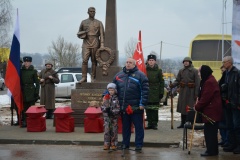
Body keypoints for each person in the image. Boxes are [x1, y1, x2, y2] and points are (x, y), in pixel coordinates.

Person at [113, 57, 149, 151]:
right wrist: (106, 94)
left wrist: (142, 104)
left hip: (136, 107)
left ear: (134, 64)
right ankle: (125, 144)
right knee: (125, 127)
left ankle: (138, 145)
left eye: (130, 62)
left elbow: (145, 91)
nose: (128, 64)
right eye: (127, 62)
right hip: (124, 107)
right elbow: (112, 87)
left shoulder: (141, 75)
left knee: (138, 127)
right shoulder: (119, 75)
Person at [194, 65, 222, 156]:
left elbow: (206, 97)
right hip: (211, 111)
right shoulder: (208, 80)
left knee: (210, 132)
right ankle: (211, 150)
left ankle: (211, 151)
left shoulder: (209, 82)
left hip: (212, 112)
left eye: (199, 72)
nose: (198, 74)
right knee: (210, 131)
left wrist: (197, 106)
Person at [170, 57, 200, 128]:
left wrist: (196, 93)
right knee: (183, 108)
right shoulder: (181, 71)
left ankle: (190, 123)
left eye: (187, 61)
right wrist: (172, 85)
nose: (186, 63)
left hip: (191, 92)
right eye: (184, 61)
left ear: (190, 62)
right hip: (183, 91)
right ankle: (182, 123)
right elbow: (177, 80)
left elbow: (198, 83)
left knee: (190, 108)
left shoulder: (195, 71)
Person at [77, 7, 104, 83]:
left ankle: (93, 77)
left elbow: (102, 35)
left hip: (95, 42)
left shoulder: (99, 23)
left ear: (95, 12)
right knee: (84, 60)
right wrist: (82, 35)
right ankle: (84, 77)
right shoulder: (83, 22)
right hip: (86, 42)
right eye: (91, 11)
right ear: (88, 12)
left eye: (93, 11)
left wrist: (102, 44)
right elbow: (79, 33)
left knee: (94, 61)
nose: (92, 12)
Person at [219, 56, 240, 154]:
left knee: (237, 125)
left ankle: (238, 145)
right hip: (227, 103)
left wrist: (238, 102)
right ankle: (232, 144)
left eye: (224, 62)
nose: (223, 64)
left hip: (235, 103)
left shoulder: (237, 73)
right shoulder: (226, 73)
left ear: (229, 62)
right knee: (230, 125)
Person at [145, 54, 164, 130]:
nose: (151, 62)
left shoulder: (158, 70)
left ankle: (155, 123)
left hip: (155, 91)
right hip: (147, 90)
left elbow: (161, 82)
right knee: (148, 108)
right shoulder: (145, 69)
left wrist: (161, 92)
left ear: (155, 61)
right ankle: (149, 123)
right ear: (148, 61)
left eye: (152, 60)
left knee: (155, 109)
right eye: (150, 60)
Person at [20, 56, 40, 128]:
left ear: (30, 62)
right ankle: (25, 121)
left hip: (31, 90)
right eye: (25, 62)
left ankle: (31, 121)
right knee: (24, 107)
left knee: (31, 107)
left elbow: (37, 83)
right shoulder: (21, 71)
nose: (26, 63)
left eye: (28, 62)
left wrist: (36, 93)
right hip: (23, 90)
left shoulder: (34, 71)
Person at [101, 83, 120, 150]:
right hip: (107, 118)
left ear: (115, 90)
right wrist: (106, 110)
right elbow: (102, 107)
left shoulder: (117, 98)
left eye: (112, 90)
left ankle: (114, 144)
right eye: (109, 90)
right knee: (107, 131)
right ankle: (106, 144)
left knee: (114, 131)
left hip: (114, 118)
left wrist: (112, 112)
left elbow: (118, 108)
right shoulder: (105, 97)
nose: (111, 91)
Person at [218, 65, 229, 146]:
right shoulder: (221, 79)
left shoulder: (228, 79)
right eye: (222, 71)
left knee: (226, 123)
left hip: (226, 103)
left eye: (223, 70)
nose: (222, 72)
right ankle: (223, 138)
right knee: (221, 122)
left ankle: (227, 140)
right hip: (221, 103)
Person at [11, 57, 23, 126]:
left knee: (21, 107)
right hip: (15, 92)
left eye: (20, 63)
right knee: (15, 107)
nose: (19, 64)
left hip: (21, 91)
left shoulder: (23, 71)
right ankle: (18, 120)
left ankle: (22, 120)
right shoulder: (13, 71)